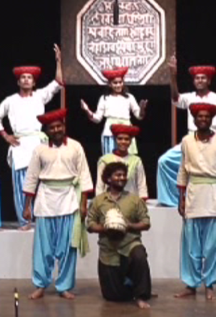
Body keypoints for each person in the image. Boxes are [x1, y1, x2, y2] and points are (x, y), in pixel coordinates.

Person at [22, 108, 94, 300]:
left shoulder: (76, 147)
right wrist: (26, 205)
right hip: (45, 200)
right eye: (51, 127)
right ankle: (40, 284)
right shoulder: (40, 150)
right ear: (46, 130)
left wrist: (84, 203)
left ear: (64, 126)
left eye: (58, 126)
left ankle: (64, 286)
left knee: (67, 248)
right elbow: (31, 178)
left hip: (69, 200)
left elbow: (84, 175)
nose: (56, 130)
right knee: (43, 247)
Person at [0, 44, 63, 229]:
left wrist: (59, 61)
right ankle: (25, 221)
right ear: (18, 82)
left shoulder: (40, 96)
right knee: (22, 185)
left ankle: (42, 219)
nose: (26, 80)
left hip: (38, 143)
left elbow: (58, 83)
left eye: (29, 77)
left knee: (42, 182)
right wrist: (6, 136)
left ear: (34, 81)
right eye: (23, 77)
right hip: (20, 144)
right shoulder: (10, 100)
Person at [157, 55, 216, 207]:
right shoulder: (190, 97)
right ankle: (173, 201)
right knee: (164, 161)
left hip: (212, 140)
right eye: (197, 78)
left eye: (203, 78)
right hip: (191, 140)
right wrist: (172, 76)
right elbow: (176, 98)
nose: (200, 80)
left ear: (208, 81)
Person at [175, 103, 216, 301]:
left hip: (215, 195)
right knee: (191, 245)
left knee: (212, 245)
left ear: (212, 120)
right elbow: (183, 171)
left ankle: (210, 284)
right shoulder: (186, 141)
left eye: (206, 117)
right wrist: (181, 199)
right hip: (193, 195)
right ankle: (190, 285)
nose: (203, 119)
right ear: (194, 119)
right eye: (199, 116)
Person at [87, 161, 153, 309]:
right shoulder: (99, 201)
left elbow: (146, 223)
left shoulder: (134, 200)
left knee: (139, 255)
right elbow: (90, 225)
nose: (122, 178)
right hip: (109, 249)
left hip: (130, 243)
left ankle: (141, 296)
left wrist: (129, 226)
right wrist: (105, 228)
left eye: (123, 175)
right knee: (113, 297)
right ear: (109, 179)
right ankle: (129, 285)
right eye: (118, 175)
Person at [80, 66, 147, 155]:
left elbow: (139, 116)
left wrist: (142, 109)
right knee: (112, 163)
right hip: (110, 134)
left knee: (128, 162)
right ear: (110, 84)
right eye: (115, 83)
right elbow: (97, 119)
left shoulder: (129, 97)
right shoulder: (104, 98)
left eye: (120, 82)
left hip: (126, 132)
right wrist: (87, 110)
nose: (118, 85)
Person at [95, 124, 149, 200]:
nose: (123, 142)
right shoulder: (105, 160)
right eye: (120, 139)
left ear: (130, 141)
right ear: (114, 139)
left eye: (126, 139)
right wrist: (100, 203)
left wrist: (142, 202)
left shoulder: (136, 160)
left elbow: (141, 184)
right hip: (109, 202)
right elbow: (100, 185)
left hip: (131, 203)